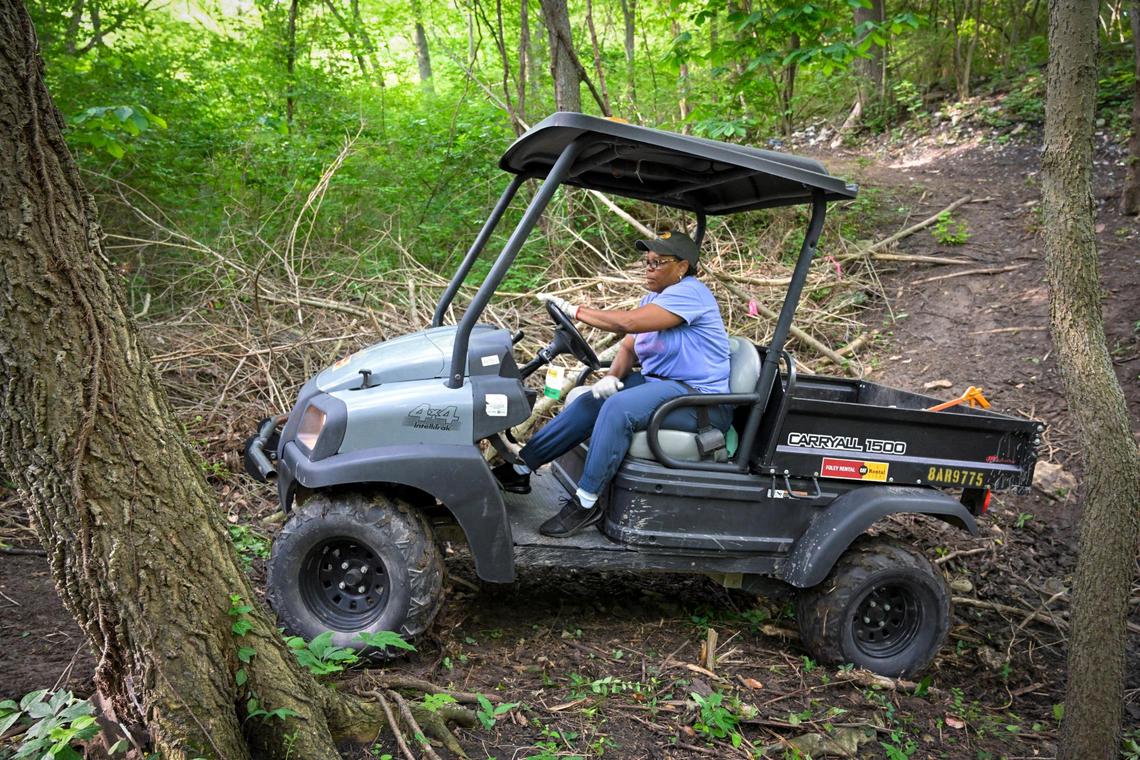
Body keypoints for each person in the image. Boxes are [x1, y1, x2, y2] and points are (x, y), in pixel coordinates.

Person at [493, 231, 733, 538]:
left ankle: (586, 502)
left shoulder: (692, 293)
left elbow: (627, 323)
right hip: (657, 386)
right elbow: (628, 347)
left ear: (682, 267)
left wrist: (574, 310)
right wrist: (611, 378)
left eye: (658, 262)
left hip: (699, 400)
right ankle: (520, 469)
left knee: (618, 408)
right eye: (647, 261)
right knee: (590, 401)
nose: (649, 268)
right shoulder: (653, 299)